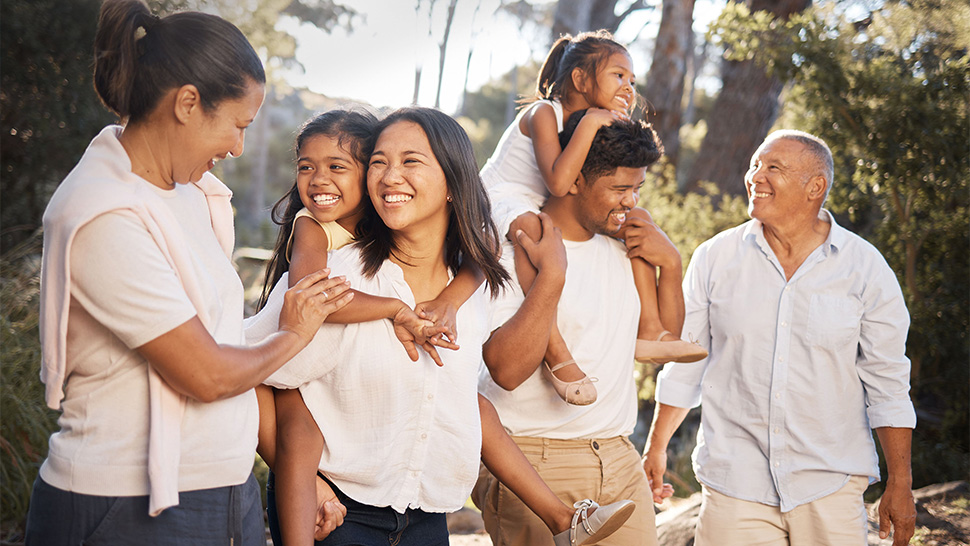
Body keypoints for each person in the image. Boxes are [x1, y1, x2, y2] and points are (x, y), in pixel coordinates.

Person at [25, 1, 352, 545]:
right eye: (238, 125)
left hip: (224, 489)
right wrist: (295, 333)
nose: (238, 147)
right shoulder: (103, 213)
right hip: (126, 506)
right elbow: (208, 375)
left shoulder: (191, 194)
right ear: (187, 103)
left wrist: (297, 475)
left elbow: (225, 342)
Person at [245, 107, 634, 546]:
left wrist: (549, 278)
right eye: (379, 162)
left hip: (425, 516)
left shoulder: (472, 285)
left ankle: (562, 519)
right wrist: (304, 477)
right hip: (337, 515)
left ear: (452, 182)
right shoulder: (337, 280)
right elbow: (248, 372)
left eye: (410, 161)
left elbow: (490, 380)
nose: (391, 176)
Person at [642, 130, 918, 546]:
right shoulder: (715, 258)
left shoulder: (865, 269)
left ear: (815, 187)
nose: (756, 176)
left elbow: (888, 382)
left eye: (773, 167)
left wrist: (901, 481)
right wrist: (657, 445)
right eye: (755, 164)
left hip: (830, 483)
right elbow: (686, 363)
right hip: (736, 484)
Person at [475, 111, 677, 546]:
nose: (631, 202)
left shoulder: (624, 251)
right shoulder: (512, 251)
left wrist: (671, 263)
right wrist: (551, 277)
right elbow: (506, 371)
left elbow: (663, 343)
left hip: (620, 458)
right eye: (619, 189)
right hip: (535, 458)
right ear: (575, 180)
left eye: (638, 189)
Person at [479, 30, 705, 406]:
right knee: (535, 234)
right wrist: (591, 123)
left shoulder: (588, 123)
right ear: (580, 79)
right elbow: (559, 182)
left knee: (638, 219)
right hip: (500, 198)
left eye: (632, 80)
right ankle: (556, 353)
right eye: (618, 75)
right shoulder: (544, 113)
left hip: (537, 199)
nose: (629, 87)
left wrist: (671, 263)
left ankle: (651, 328)